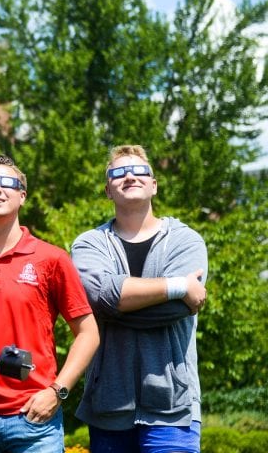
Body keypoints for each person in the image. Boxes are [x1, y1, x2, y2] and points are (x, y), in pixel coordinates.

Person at [0, 154, 100, 453]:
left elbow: (89, 333)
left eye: (7, 183)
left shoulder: (51, 259)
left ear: (22, 196)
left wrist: (57, 391)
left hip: (35, 421)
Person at [70, 145, 207, 453]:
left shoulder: (186, 240)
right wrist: (177, 286)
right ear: (108, 189)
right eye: (118, 172)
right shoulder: (88, 244)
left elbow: (174, 310)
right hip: (108, 409)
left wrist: (115, 306)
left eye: (139, 170)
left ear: (154, 184)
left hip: (173, 411)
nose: (129, 176)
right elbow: (101, 296)